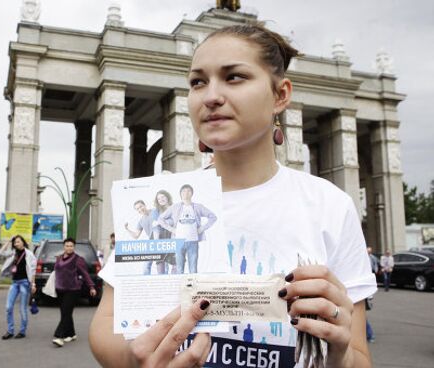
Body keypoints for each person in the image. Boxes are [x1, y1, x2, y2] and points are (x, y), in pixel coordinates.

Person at [90, 23, 376, 367]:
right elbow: (105, 325)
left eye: (234, 77)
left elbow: (359, 356)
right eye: (198, 81)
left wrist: (340, 352)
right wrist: (135, 359)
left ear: (281, 95)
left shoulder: (330, 206)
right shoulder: (158, 196)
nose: (211, 96)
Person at [158, 184, 217, 274]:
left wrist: (202, 228)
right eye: (184, 191)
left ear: (192, 193)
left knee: (193, 269)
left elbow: (213, 217)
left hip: (193, 242)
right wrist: (171, 229)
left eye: (188, 191)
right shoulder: (175, 207)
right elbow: (160, 219)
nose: (186, 193)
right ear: (180, 194)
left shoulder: (198, 207)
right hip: (178, 242)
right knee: (179, 269)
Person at [51, 238, 97, 347]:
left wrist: (91, 287)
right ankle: (71, 334)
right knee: (65, 313)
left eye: (71, 246)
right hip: (60, 289)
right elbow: (56, 272)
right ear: (64, 247)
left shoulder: (78, 259)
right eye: (67, 246)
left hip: (73, 290)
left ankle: (59, 336)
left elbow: (85, 274)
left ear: (74, 247)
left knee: (66, 312)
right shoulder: (59, 258)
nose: (69, 248)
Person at [0, 235, 36, 339]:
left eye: (18, 242)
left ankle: (22, 331)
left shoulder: (29, 254)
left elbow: (33, 270)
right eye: (15, 242)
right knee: (8, 307)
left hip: (25, 282)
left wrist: (33, 284)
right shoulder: (13, 253)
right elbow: (1, 252)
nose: (16, 244)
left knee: (22, 309)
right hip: (15, 282)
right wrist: (8, 240)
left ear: (23, 243)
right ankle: (10, 330)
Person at [125, 200, 167, 275]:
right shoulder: (141, 221)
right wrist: (127, 229)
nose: (140, 209)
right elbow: (136, 236)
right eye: (137, 209)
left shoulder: (155, 211)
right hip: (152, 244)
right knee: (146, 266)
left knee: (163, 268)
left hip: (162, 242)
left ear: (145, 205)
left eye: (141, 206)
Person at [151, 190, 175, 273]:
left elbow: (175, 222)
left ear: (167, 197)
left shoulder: (175, 208)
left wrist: (161, 222)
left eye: (163, 197)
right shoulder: (155, 211)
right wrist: (166, 222)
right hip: (159, 237)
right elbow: (154, 224)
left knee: (176, 262)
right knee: (160, 263)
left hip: (172, 236)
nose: (161, 200)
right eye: (159, 199)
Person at [366, 247, 378, 342]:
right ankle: (369, 335)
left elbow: (375, 264)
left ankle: (370, 335)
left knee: (361, 318)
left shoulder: (371, 258)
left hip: (364, 296)